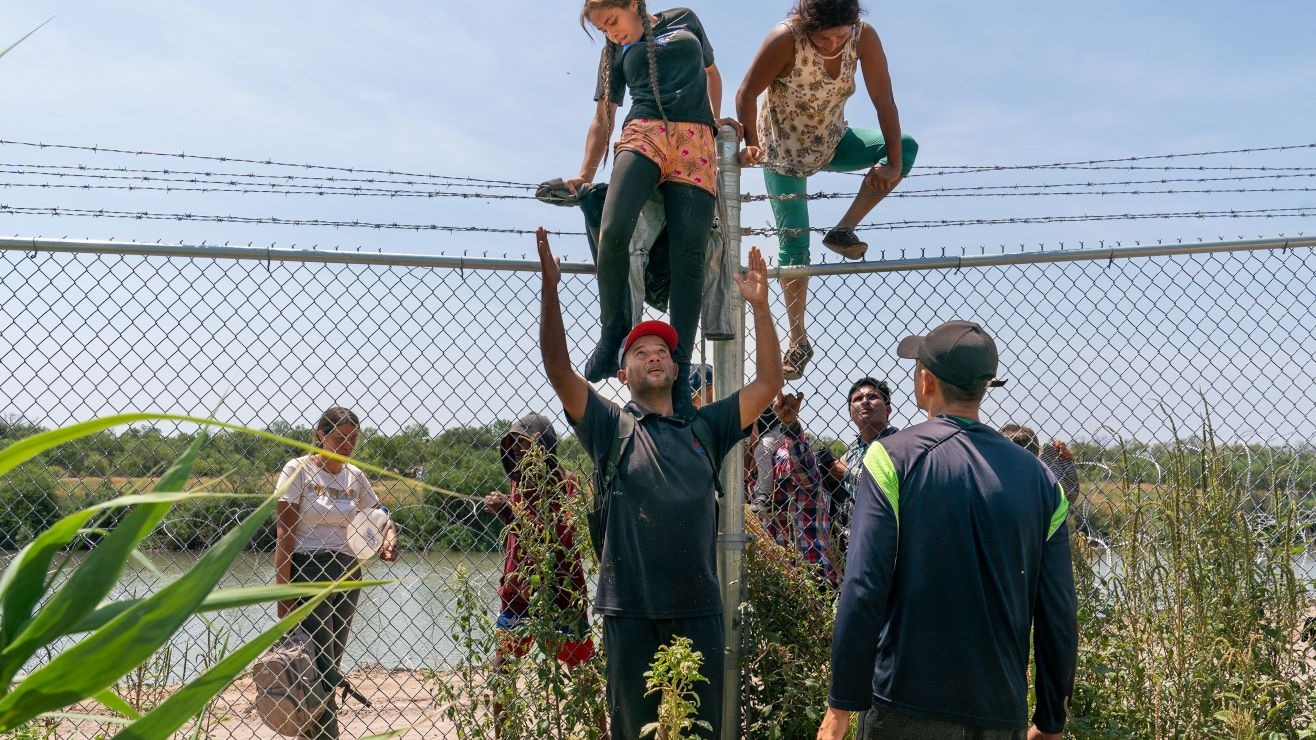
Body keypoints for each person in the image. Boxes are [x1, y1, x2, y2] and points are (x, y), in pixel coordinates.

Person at [537, 226, 783, 739]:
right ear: (623, 373)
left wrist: (759, 306)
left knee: (699, 730)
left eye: (662, 351)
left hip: (697, 609)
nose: (653, 355)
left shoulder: (707, 427)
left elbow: (768, 385)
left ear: (675, 368)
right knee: (635, 730)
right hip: (629, 610)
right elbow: (559, 371)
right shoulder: (610, 426)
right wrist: (551, 288)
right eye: (640, 351)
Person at [818, 320, 1077, 740]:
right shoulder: (1043, 480)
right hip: (1000, 709)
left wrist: (841, 706)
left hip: (904, 703)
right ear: (985, 386)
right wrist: (1050, 719)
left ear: (926, 381)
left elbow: (863, 585)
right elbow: (1058, 612)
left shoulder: (890, 458)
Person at [570, 0, 739, 417]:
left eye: (612, 22)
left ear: (632, 4)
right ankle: (613, 334)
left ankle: (680, 373)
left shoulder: (686, 19)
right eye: (603, 30)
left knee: (689, 258)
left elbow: (711, 74)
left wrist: (715, 122)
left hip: (694, 137)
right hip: (643, 131)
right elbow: (603, 117)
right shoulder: (614, 53)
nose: (612, 33)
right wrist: (585, 172)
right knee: (612, 230)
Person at [735, 0, 918, 380]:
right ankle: (798, 340)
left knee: (905, 145)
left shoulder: (863, 38)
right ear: (806, 26)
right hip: (782, 152)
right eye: (823, 38)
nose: (833, 44)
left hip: (832, 141)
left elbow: (884, 101)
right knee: (794, 245)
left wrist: (895, 163)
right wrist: (752, 143)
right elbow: (746, 93)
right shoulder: (784, 39)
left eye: (841, 35)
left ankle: (842, 229)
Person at [274, 406, 397, 740]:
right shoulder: (297, 470)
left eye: (353, 438)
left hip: (348, 571)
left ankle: (307, 733)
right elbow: (284, 534)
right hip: (309, 570)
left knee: (327, 663)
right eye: (340, 437)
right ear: (320, 435)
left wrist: (389, 538)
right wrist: (282, 598)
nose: (347, 444)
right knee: (323, 667)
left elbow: (380, 516)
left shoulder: (355, 476)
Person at [482, 414, 603, 738]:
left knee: (582, 675)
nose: (521, 454)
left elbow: (559, 539)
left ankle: (600, 733)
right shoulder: (517, 483)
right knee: (502, 672)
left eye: (527, 446)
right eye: (515, 447)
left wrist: (510, 511)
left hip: (562, 593)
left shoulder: (567, 484)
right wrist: (507, 506)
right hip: (517, 595)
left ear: (546, 449)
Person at [766, 390, 838, 590]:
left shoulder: (777, 456)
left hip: (814, 578)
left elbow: (803, 472)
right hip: (774, 584)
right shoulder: (740, 473)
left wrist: (790, 427)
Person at [832, 377, 899, 561]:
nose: (865, 402)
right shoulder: (851, 454)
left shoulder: (902, 445)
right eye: (857, 399)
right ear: (850, 412)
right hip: (857, 542)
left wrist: (846, 473)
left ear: (888, 409)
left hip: (894, 539)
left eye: (872, 396)